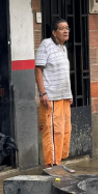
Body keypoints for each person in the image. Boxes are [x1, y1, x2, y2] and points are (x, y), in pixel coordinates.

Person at [35, 18, 72, 168]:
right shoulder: (46, 45)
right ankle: (51, 165)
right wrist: (42, 93)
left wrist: (69, 93)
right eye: (62, 28)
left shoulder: (63, 48)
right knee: (52, 132)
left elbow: (63, 73)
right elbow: (38, 69)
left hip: (63, 97)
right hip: (51, 98)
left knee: (65, 131)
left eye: (67, 28)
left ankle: (59, 163)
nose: (66, 31)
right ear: (54, 33)